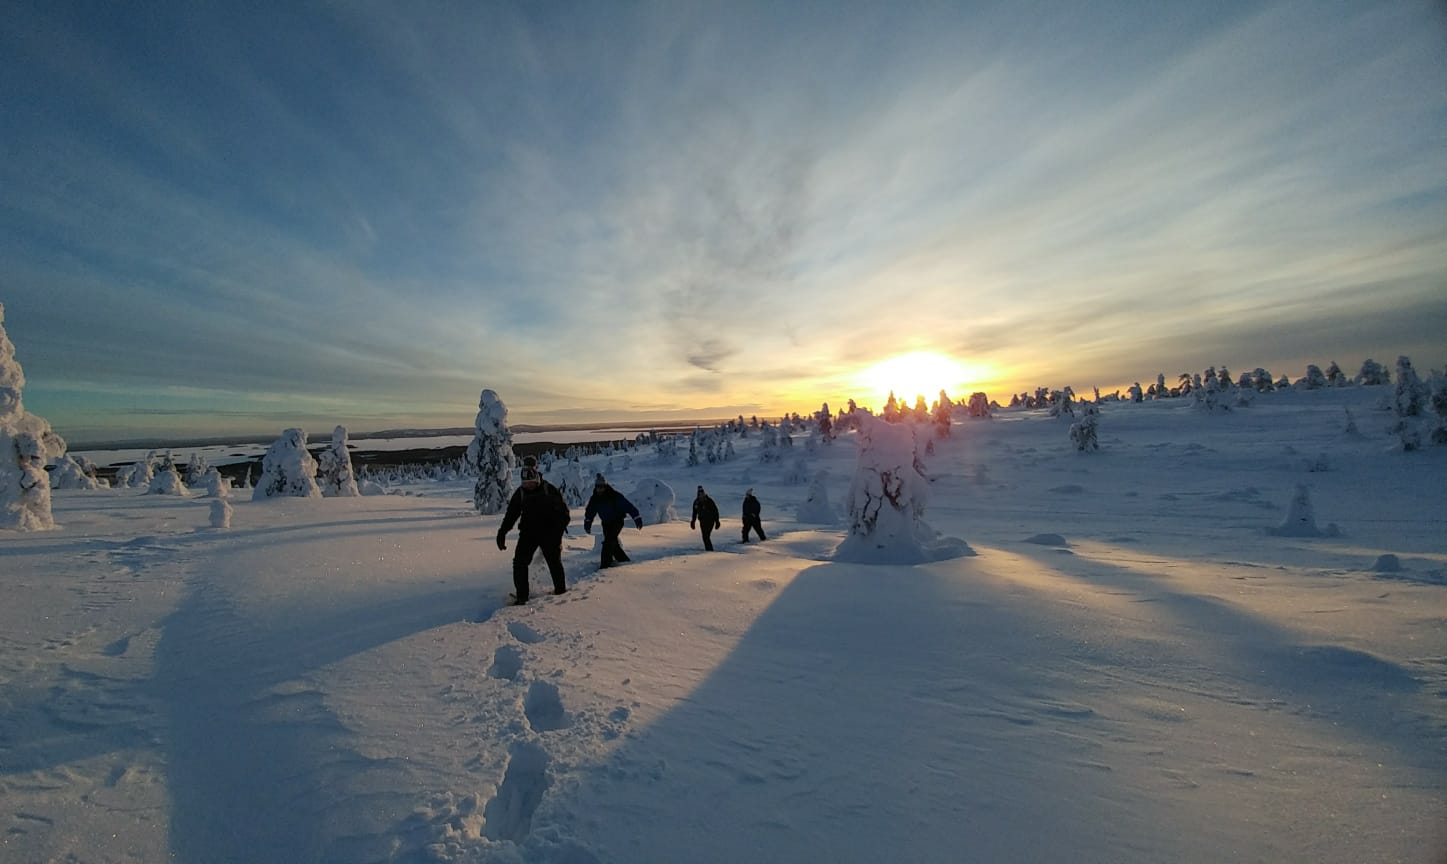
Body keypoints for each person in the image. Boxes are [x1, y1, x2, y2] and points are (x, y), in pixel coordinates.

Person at [496, 458, 570, 604]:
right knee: (519, 563)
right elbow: (511, 514)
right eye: (525, 483)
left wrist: (557, 533)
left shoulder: (549, 490)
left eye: (530, 483)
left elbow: (564, 514)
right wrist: (502, 533)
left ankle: (561, 593)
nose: (528, 486)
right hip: (528, 533)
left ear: (537, 479)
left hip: (549, 533)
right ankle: (522, 596)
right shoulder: (521, 493)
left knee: (553, 561)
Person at [582, 473, 643, 569]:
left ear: (606, 486)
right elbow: (590, 512)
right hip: (606, 523)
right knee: (612, 542)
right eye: (598, 487)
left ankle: (605, 565)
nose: (600, 489)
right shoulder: (595, 499)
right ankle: (624, 560)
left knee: (608, 542)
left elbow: (628, 506)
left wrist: (637, 518)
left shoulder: (614, 495)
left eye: (602, 487)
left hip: (617, 522)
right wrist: (587, 523)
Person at [690, 485, 721, 551]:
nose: (700, 494)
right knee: (705, 537)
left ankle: (710, 550)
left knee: (706, 536)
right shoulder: (696, 502)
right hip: (702, 521)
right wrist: (693, 521)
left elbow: (715, 511)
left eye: (702, 492)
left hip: (710, 521)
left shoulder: (709, 501)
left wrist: (717, 521)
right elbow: (694, 513)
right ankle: (708, 550)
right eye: (699, 493)